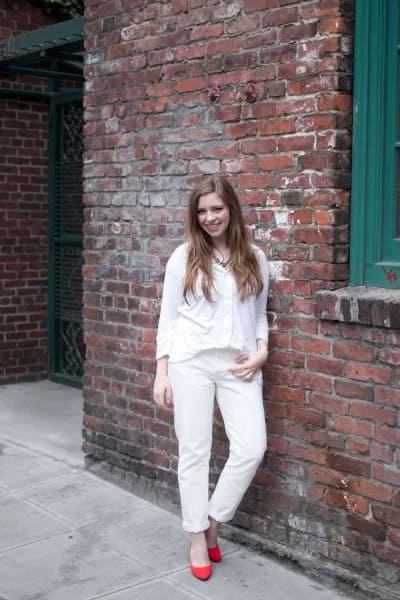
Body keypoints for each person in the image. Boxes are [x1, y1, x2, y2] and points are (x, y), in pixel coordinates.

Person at [153, 175, 269, 581]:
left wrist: (262, 350)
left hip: (239, 364)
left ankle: (214, 521)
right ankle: (196, 535)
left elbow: (258, 314)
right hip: (190, 364)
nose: (209, 217)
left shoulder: (254, 256)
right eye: (202, 211)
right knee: (195, 452)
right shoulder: (182, 258)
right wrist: (161, 372)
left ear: (231, 209)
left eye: (216, 208)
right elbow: (167, 319)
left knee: (252, 447)